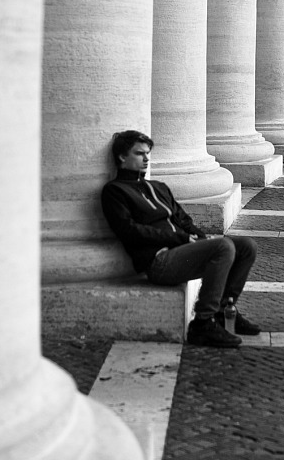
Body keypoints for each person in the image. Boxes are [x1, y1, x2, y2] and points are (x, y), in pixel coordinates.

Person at [100, 130, 261, 348]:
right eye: (139, 154)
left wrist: (200, 238)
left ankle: (224, 310)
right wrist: (181, 238)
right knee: (223, 246)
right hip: (159, 261)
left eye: (148, 153)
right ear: (121, 157)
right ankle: (203, 323)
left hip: (181, 251)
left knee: (245, 246)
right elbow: (129, 231)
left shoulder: (158, 187)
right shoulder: (115, 191)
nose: (146, 158)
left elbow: (183, 219)